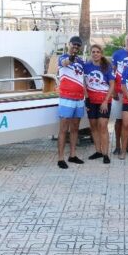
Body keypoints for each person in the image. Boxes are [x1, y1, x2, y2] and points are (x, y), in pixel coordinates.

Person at [56, 36, 86, 169]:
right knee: (63, 129)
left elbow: (83, 79)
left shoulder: (81, 61)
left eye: (78, 45)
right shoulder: (62, 57)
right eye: (74, 44)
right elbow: (65, 63)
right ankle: (60, 158)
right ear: (69, 44)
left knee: (75, 128)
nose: (76, 47)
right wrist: (72, 57)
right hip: (66, 98)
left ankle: (72, 155)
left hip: (79, 99)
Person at [83, 44, 115, 164]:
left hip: (104, 101)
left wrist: (106, 101)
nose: (95, 54)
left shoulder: (107, 67)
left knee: (103, 126)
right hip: (91, 101)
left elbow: (112, 84)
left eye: (97, 51)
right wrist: (86, 99)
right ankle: (98, 151)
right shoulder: (86, 66)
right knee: (94, 126)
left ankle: (105, 154)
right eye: (93, 52)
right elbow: (84, 83)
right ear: (91, 53)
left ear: (101, 53)